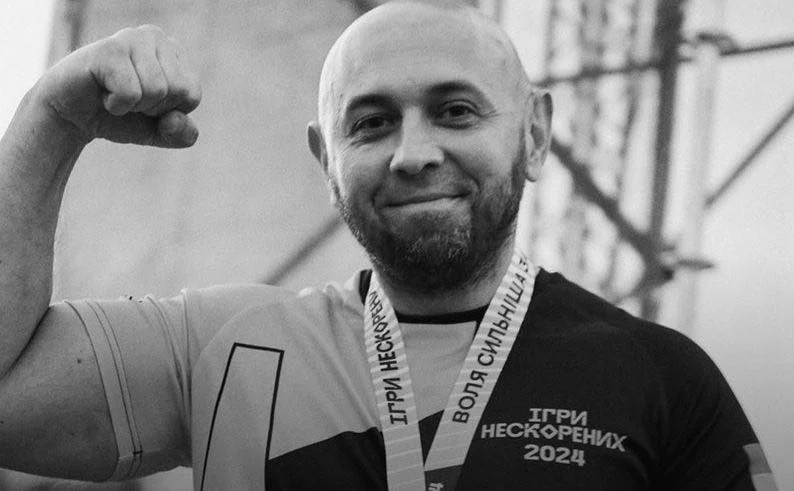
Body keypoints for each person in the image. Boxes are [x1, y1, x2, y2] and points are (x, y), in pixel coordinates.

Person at [0, 1, 777, 490]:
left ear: (534, 135)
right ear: (325, 160)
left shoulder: (661, 377)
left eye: (456, 111)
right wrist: (52, 120)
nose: (413, 153)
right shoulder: (225, 347)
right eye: (371, 123)